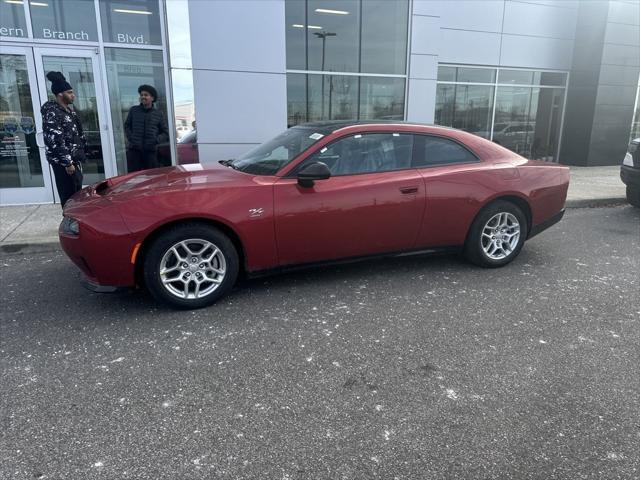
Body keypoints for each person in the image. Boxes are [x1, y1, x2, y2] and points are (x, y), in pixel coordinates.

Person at [41, 71, 86, 208]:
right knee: (68, 197)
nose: (73, 95)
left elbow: (77, 133)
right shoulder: (52, 112)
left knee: (77, 194)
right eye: (70, 92)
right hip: (65, 165)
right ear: (60, 94)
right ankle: (70, 226)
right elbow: (55, 140)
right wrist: (67, 163)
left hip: (74, 160)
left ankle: (77, 223)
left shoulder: (69, 111)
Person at [124, 84, 168, 172]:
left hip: (150, 152)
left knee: (152, 178)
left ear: (152, 98)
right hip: (134, 151)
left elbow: (165, 132)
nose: (143, 97)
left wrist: (156, 140)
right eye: (141, 95)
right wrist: (132, 139)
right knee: (133, 179)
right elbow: (127, 126)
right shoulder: (134, 110)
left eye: (146, 95)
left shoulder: (158, 114)